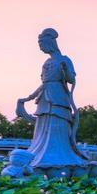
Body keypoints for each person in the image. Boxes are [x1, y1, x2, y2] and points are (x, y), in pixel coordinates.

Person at [18, 28, 88, 176]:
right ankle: (38, 154)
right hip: (45, 97)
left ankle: (61, 156)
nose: (41, 47)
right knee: (43, 126)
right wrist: (29, 97)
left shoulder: (65, 59)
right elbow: (44, 83)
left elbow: (71, 80)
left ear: (50, 43)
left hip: (58, 96)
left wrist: (65, 70)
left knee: (58, 126)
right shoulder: (47, 62)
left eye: (42, 44)